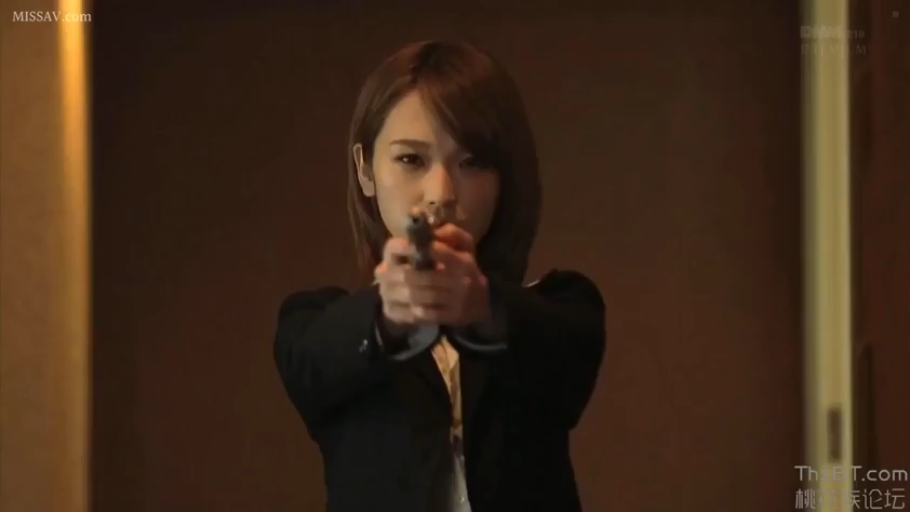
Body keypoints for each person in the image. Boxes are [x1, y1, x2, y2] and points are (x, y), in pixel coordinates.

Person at [273, 40, 606, 512]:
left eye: (471, 162)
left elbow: (563, 357)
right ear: (365, 169)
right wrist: (389, 316)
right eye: (411, 159)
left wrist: (481, 307)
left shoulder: (558, 308)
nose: (440, 193)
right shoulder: (318, 323)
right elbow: (314, 364)